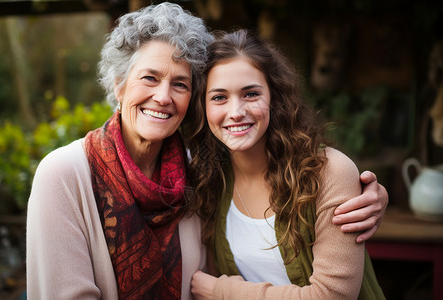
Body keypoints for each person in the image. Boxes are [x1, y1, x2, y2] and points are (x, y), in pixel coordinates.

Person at [26, 2, 386, 300]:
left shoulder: (193, 176)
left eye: (180, 84)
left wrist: (366, 192)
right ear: (119, 85)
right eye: (150, 77)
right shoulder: (66, 174)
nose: (163, 96)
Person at [189, 29, 385, 299]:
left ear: (274, 97)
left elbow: (332, 296)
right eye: (219, 97)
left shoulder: (328, 172)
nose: (235, 112)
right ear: (202, 107)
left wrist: (220, 291)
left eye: (250, 94)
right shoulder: (209, 178)